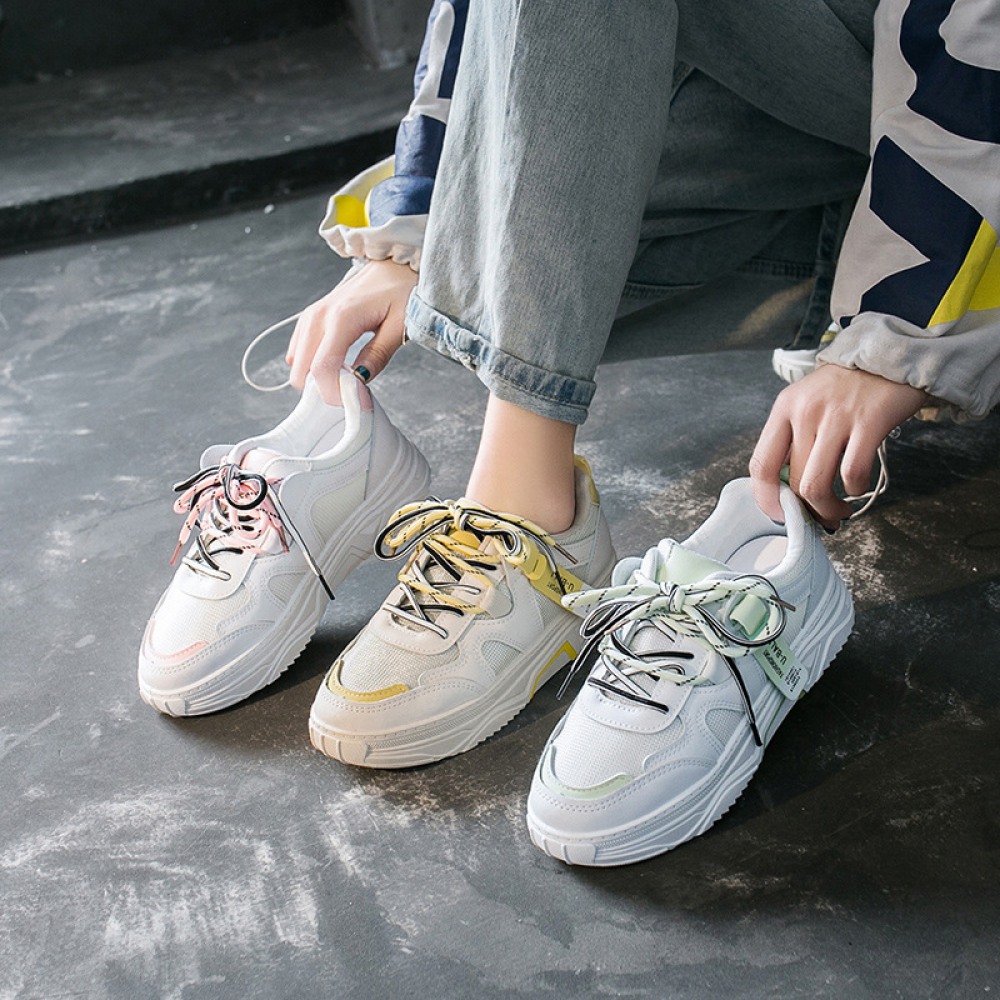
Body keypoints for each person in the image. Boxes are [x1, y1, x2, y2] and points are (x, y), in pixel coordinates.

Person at [141, 0, 999, 864]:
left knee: (495, 229)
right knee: (497, 192)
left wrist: (899, 324)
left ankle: (527, 512)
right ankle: (473, 496)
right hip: (814, 165)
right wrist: (421, 226)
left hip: (962, 149)